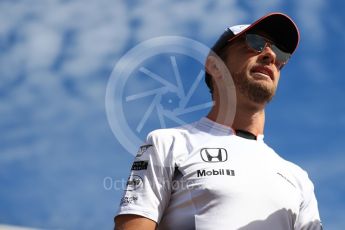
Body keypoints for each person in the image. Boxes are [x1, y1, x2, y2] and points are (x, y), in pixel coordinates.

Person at [114, 12, 323, 230]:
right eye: (256, 43)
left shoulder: (298, 179)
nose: (270, 55)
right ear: (215, 66)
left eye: (280, 52)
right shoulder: (168, 143)